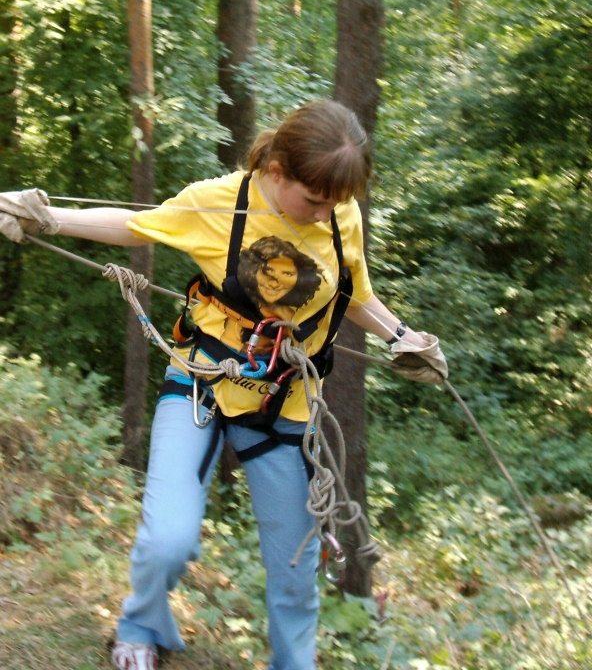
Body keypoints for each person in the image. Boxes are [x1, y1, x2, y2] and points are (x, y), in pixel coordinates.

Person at [0, 100, 447, 670]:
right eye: (314, 200)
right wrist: (46, 217)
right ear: (277, 171)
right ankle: (141, 626)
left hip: (286, 402)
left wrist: (402, 338)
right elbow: (136, 224)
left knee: (296, 569)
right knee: (167, 539)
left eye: (335, 202)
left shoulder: (340, 212)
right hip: (202, 382)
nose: (324, 213)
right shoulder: (220, 203)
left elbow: (353, 292)